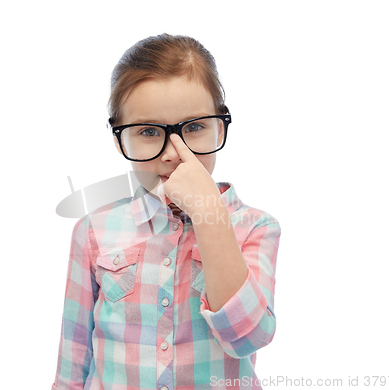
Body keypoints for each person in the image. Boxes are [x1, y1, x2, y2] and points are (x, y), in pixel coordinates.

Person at [51, 33, 281, 390]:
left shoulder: (255, 227)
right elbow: (74, 357)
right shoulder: (93, 231)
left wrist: (209, 214)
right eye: (147, 131)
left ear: (220, 124)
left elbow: (247, 339)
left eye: (193, 127)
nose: (173, 153)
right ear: (119, 139)